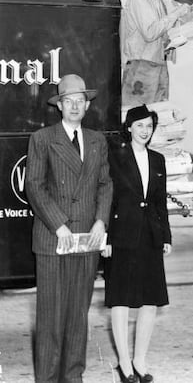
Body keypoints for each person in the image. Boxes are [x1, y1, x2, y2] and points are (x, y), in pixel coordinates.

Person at [25, 74, 113, 383]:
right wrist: (58, 224)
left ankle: (73, 377)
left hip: (87, 238)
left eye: (80, 101)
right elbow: (34, 187)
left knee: (78, 315)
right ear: (59, 106)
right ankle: (47, 379)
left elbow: (105, 184)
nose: (75, 106)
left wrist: (101, 221)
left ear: (87, 106)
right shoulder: (42, 139)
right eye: (68, 101)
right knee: (50, 317)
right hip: (53, 239)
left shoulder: (97, 140)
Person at [102, 104, 173, 383]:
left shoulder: (158, 159)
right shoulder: (115, 156)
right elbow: (107, 196)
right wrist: (105, 236)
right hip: (121, 235)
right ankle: (123, 363)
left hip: (150, 235)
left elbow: (160, 202)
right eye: (140, 125)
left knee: (150, 300)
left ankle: (139, 360)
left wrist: (165, 236)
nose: (145, 130)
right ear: (129, 127)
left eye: (149, 126)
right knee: (120, 299)